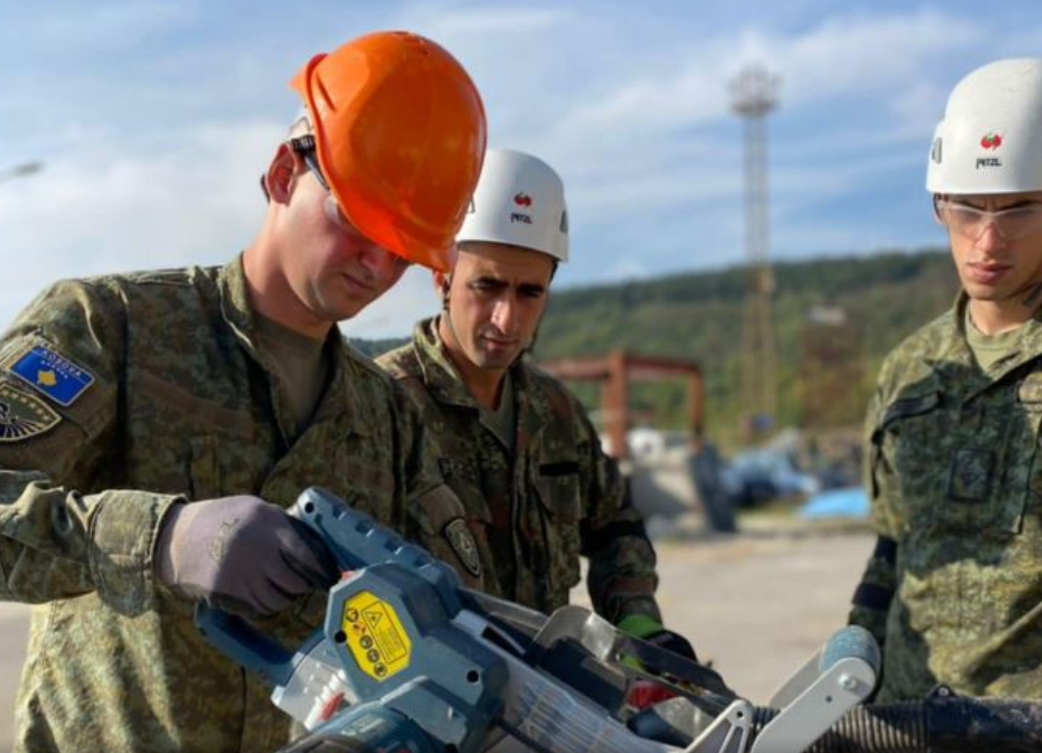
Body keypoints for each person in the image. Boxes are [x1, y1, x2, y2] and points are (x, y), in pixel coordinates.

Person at [0, 31, 487, 752]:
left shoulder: (386, 418)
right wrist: (162, 538)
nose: (377, 265)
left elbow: (454, 617)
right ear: (286, 172)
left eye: (405, 248)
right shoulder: (113, 330)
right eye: (357, 221)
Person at [377, 148, 693, 656]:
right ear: (441, 274)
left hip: (545, 703)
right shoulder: (381, 404)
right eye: (488, 286)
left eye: (530, 293)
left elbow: (615, 525)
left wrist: (637, 623)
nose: (507, 320)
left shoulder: (556, 413)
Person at [848, 58, 1042, 701]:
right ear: (937, 206)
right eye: (966, 210)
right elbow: (893, 547)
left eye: (1017, 211)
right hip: (905, 716)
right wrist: (853, 654)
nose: (987, 241)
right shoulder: (913, 368)